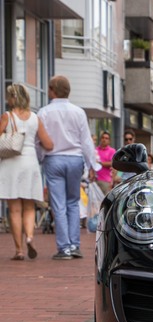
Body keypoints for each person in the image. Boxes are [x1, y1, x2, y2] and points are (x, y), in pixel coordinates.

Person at [37, 75, 97, 260]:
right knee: (73, 202)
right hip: (75, 159)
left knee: (58, 205)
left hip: (54, 160)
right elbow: (86, 141)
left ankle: (64, 248)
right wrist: (92, 164)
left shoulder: (44, 112)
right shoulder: (78, 112)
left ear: (52, 90)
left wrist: (40, 159)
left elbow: (39, 141)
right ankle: (75, 244)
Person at [0, 83, 54, 260]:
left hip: (11, 164)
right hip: (30, 163)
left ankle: (19, 250)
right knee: (29, 207)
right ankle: (30, 236)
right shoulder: (35, 118)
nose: (7, 100)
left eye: (9, 96)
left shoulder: (7, 116)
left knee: (15, 209)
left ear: (14, 97)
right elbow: (48, 144)